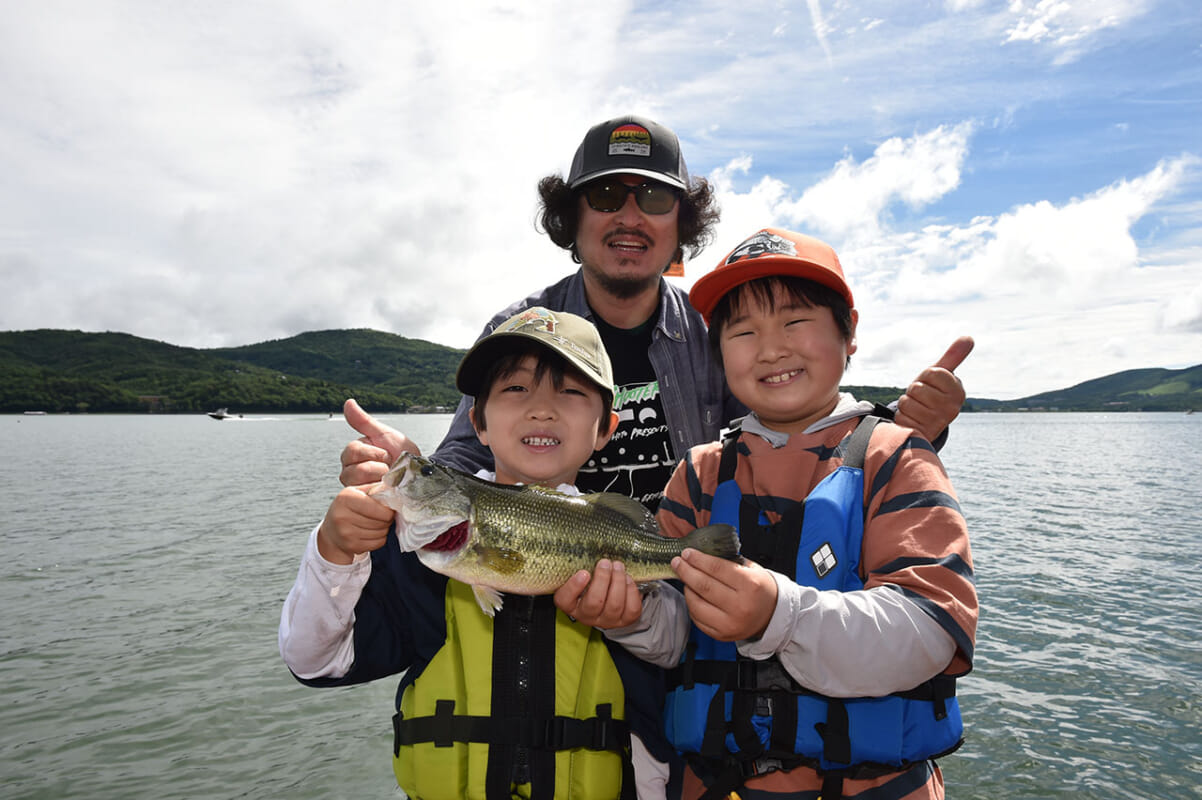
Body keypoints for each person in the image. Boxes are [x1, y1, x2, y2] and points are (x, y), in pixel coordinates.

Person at [593, 228, 977, 799]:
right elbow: (675, 636)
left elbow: (930, 633)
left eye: (795, 322)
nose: (770, 348)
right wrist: (628, 617)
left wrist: (778, 614)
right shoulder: (698, 472)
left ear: (849, 334)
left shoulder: (897, 457)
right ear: (717, 352)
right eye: (743, 332)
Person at [280, 307, 677, 799]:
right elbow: (316, 661)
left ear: (605, 430)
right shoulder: (416, 552)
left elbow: (678, 651)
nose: (541, 408)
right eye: (515, 388)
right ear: (478, 423)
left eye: (570, 391)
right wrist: (335, 551)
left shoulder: (621, 536)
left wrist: (632, 618)